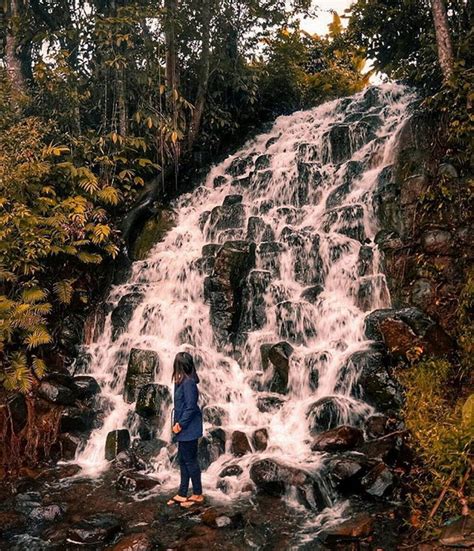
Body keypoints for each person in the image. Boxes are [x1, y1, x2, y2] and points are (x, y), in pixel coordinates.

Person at [167, 351, 204, 508]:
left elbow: (191, 407)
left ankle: (197, 494)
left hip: (188, 429)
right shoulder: (182, 381)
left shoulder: (188, 383)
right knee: (183, 460)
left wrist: (180, 424)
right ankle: (182, 493)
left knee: (190, 461)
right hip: (183, 429)